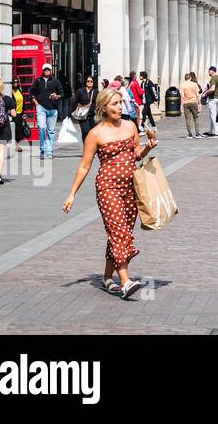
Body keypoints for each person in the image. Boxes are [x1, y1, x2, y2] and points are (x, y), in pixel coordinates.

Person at [62, 88, 157, 300]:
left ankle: (107, 278)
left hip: (131, 187)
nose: (120, 107)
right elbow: (84, 166)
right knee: (119, 232)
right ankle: (125, 281)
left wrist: (149, 147)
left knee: (118, 233)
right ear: (104, 107)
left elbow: (136, 154)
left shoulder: (131, 126)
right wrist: (71, 194)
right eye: (115, 104)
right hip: (108, 187)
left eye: (121, 103)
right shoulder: (95, 134)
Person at [29, 65, 63, 162]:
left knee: (51, 131)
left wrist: (56, 96)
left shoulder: (55, 81)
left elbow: (62, 94)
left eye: (48, 69)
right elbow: (31, 93)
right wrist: (36, 103)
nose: (46, 71)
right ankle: (42, 150)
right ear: (42, 70)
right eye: (45, 69)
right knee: (42, 128)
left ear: (51, 70)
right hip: (41, 108)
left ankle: (49, 151)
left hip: (53, 108)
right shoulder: (38, 81)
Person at [71, 75, 97, 141]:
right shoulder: (80, 91)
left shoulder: (96, 91)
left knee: (92, 133)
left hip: (93, 115)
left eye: (91, 81)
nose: (89, 82)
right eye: (88, 81)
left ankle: (91, 147)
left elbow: (99, 102)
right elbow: (75, 102)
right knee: (85, 132)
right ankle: (86, 146)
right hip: (83, 115)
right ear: (85, 82)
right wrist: (69, 113)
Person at [179, 72, 203, 139]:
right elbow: (197, 95)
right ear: (190, 78)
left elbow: (182, 96)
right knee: (196, 118)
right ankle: (197, 133)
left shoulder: (182, 85)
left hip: (186, 103)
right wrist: (199, 103)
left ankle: (189, 134)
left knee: (187, 119)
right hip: (194, 102)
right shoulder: (194, 84)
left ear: (185, 78)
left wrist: (181, 105)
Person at [203, 66, 218, 136]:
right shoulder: (217, 77)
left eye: (209, 71)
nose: (208, 72)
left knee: (213, 115)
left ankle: (216, 132)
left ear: (212, 71)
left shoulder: (213, 78)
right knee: (212, 115)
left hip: (213, 98)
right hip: (217, 98)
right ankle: (210, 131)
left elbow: (212, 89)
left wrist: (205, 93)